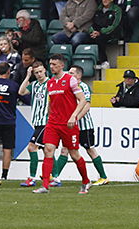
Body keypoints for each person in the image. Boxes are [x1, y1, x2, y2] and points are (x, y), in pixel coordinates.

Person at [32, 54, 91, 194]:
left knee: (74, 154)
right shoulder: (50, 82)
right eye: (50, 64)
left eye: (54, 64)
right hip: (53, 123)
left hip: (68, 124)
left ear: (61, 65)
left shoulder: (70, 80)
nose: (51, 66)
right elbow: (51, 102)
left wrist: (73, 116)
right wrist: (48, 116)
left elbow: (82, 100)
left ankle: (86, 181)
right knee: (48, 150)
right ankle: (45, 185)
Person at [51, 65, 109, 187]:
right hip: (70, 126)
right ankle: (55, 177)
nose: (69, 74)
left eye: (72, 73)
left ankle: (103, 176)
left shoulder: (83, 87)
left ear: (79, 75)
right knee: (65, 149)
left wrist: (75, 118)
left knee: (90, 150)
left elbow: (86, 105)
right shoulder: (67, 86)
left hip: (84, 126)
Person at [18, 61, 50, 187]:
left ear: (45, 71)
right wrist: (27, 76)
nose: (39, 74)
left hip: (45, 122)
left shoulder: (50, 84)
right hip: (37, 122)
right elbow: (21, 91)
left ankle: (31, 177)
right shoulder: (35, 85)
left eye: (41, 71)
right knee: (47, 150)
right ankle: (54, 176)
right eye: (36, 73)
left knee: (32, 147)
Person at [89, 0, 122, 69]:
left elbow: (114, 26)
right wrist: (93, 31)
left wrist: (100, 32)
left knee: (100, 38)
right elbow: (92, 23)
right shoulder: (98, 9)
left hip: (112, 33)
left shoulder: (117, 10)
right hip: (97, 33)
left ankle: (104, 61)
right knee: (85, 38)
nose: (104, 0)